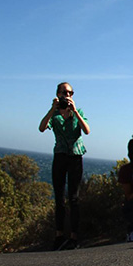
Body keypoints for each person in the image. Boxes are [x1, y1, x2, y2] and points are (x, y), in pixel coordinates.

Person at [38, 82, 91, 250]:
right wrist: (52, 109)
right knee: (59, 198)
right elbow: (41, 128)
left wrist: (74, 111)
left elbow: (87, 130)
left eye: (70, 93)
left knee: (74, 198)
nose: (67, 95)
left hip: (75, 156)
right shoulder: (54, 114)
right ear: (58, 94)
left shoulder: (78, 112)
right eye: (64, 92)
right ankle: (59, 235)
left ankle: (74, 236)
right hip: (60, 155)